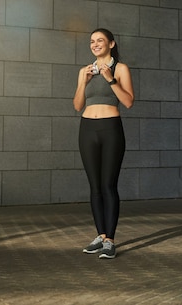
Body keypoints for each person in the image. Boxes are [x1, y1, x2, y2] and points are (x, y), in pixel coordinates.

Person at [73, 28, 134, 259]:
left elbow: (128, 101)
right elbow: (78, 105)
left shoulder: (121, 68)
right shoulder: (84, 71)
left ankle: (110, 240)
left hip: (110, 129)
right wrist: (83, 82)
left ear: (111, 43)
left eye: (100, 41)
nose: (95, 44)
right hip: (87, 129)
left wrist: (110, 79)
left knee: (108, 185)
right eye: (92, 41)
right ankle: (100, 235)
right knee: (94, 186)